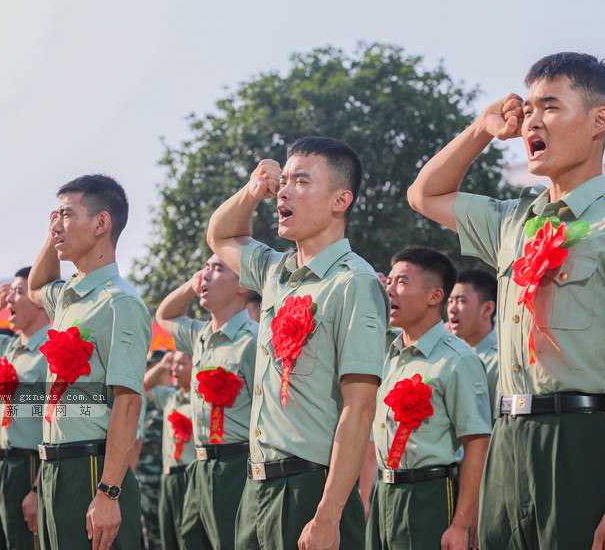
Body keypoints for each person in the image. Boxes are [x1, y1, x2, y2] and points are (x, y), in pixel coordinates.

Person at [407, 52, 605, 549]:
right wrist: (482, 130)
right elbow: (424, 194)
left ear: (600, 120)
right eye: (527, 108)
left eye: (550, 106)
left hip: (581, 439)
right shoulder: (512, 221)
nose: (531, 119)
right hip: (507, 438)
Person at [207, 136, 389, 549]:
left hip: (311, 488)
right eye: (282, 181)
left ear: (340, 200)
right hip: (257, 488)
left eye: (301, 182)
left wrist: (328, 515)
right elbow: (220, 235)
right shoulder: (275, 271)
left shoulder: (353, 283)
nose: (283, 192)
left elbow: (359, 409)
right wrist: (253, 189)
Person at [27, 174, 151, 550]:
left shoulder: (119, 302)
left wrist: (110, 492)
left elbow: (128, 402)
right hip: (54, 468)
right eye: (54, 216)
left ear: (101, 224)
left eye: (66, 215)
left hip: (93, 468)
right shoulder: (69, 296)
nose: (55, 225)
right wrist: (55, 233)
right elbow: (36, 287)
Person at [366, 247, 491, 549]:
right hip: (383, 494)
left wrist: (462, 523)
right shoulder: (390, 354)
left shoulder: (458, 359)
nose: (390, 291)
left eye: (402, 282)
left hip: (430, 497)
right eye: (389, 281)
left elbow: (477, 443)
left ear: (435, 297)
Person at [154, 256, 259, 550]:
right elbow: (165, 315)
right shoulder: (200, 334)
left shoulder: (253, 340)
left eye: (217, 268)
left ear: (242, 284)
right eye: (205, 268)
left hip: (236, 466)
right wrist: (191, 284)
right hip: (198, 466)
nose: (205, 275)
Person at [0, 268, 50, 549]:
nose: (10, 301)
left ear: (40, 301)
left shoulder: (52, 351)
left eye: (19, 293)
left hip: (28, 465)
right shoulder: (9, 349)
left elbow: (57, 426)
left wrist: (36, 488)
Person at [143, 351, 196, 549]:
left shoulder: (201, 399)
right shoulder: (170, 397)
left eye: (182, 363)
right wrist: (163, 365)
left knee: (189, 539)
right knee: (168, 537)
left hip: (189, 476)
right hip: (167, 478)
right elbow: (145, 385)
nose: (175, 369)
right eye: (174, 364)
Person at [446, 268, 498, 416]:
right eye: (450, 301)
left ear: (487, 309)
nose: (452, 309)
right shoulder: (447, 354)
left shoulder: (499, 362)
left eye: (461, 301)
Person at [135, 350, 166, 549]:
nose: (149, 371)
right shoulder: (141, 401)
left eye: (154, 367)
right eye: (147, 367)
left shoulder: (174, 398)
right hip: (142, 480)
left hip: (166, 481)